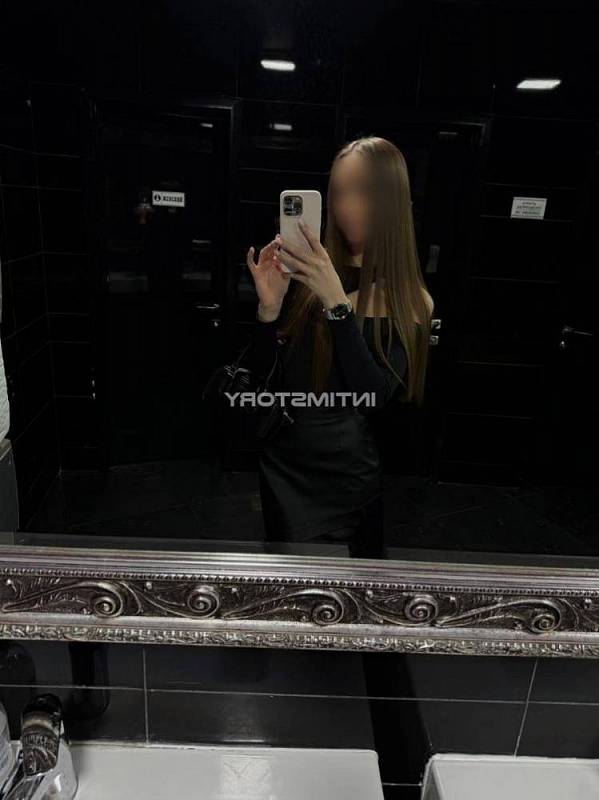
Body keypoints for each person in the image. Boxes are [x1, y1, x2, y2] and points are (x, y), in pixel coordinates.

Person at [245, 136, 434, 558]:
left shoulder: (410, 299)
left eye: (362, 192)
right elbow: (266, 382)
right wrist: (268, 311)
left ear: (392, 200)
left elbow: (374, 397)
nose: (347, 206)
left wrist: (336, 303)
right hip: (283, 464)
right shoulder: (305, 277)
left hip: (344, 477)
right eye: (339, 193)